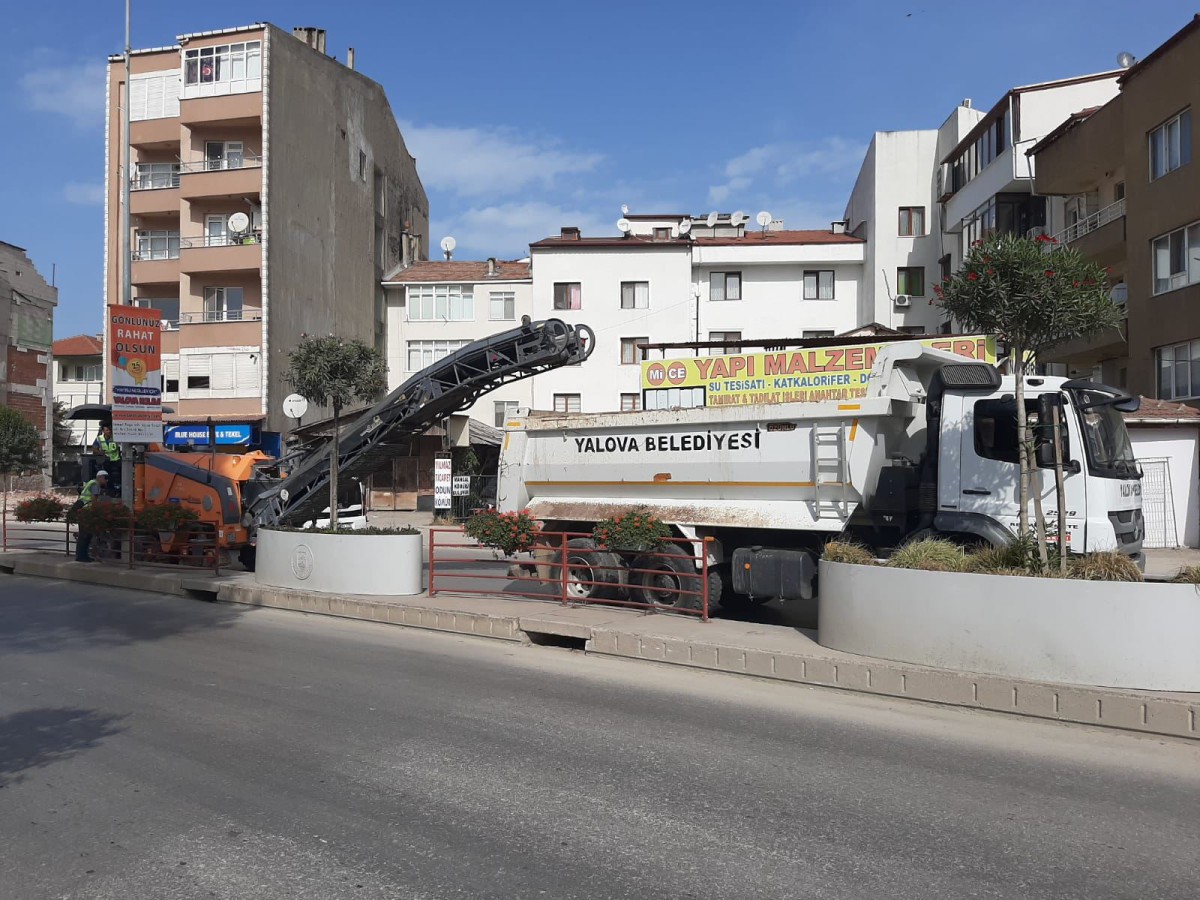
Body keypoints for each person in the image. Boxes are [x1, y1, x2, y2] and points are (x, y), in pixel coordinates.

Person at [75, 470, 109, 563]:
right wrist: (96, 511)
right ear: (100, 477)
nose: (106, 481)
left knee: (83, 535)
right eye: (106, 478)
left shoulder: (90, 482)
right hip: (87, 511)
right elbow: (94, 499)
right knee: (86, 535)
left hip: (82, 510)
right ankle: (83, 556)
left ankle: (81, 555)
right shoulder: (95, 485)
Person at [92, 424, 121, 493]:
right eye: (107, 430)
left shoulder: (116, 438)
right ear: (103, 431)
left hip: (116, 460)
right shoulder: (99, 439)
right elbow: (94, 449)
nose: (109, 431)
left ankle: (118, 486)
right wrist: (100, 453)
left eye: (110, 430)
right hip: (105, 461)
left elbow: (121, 448)